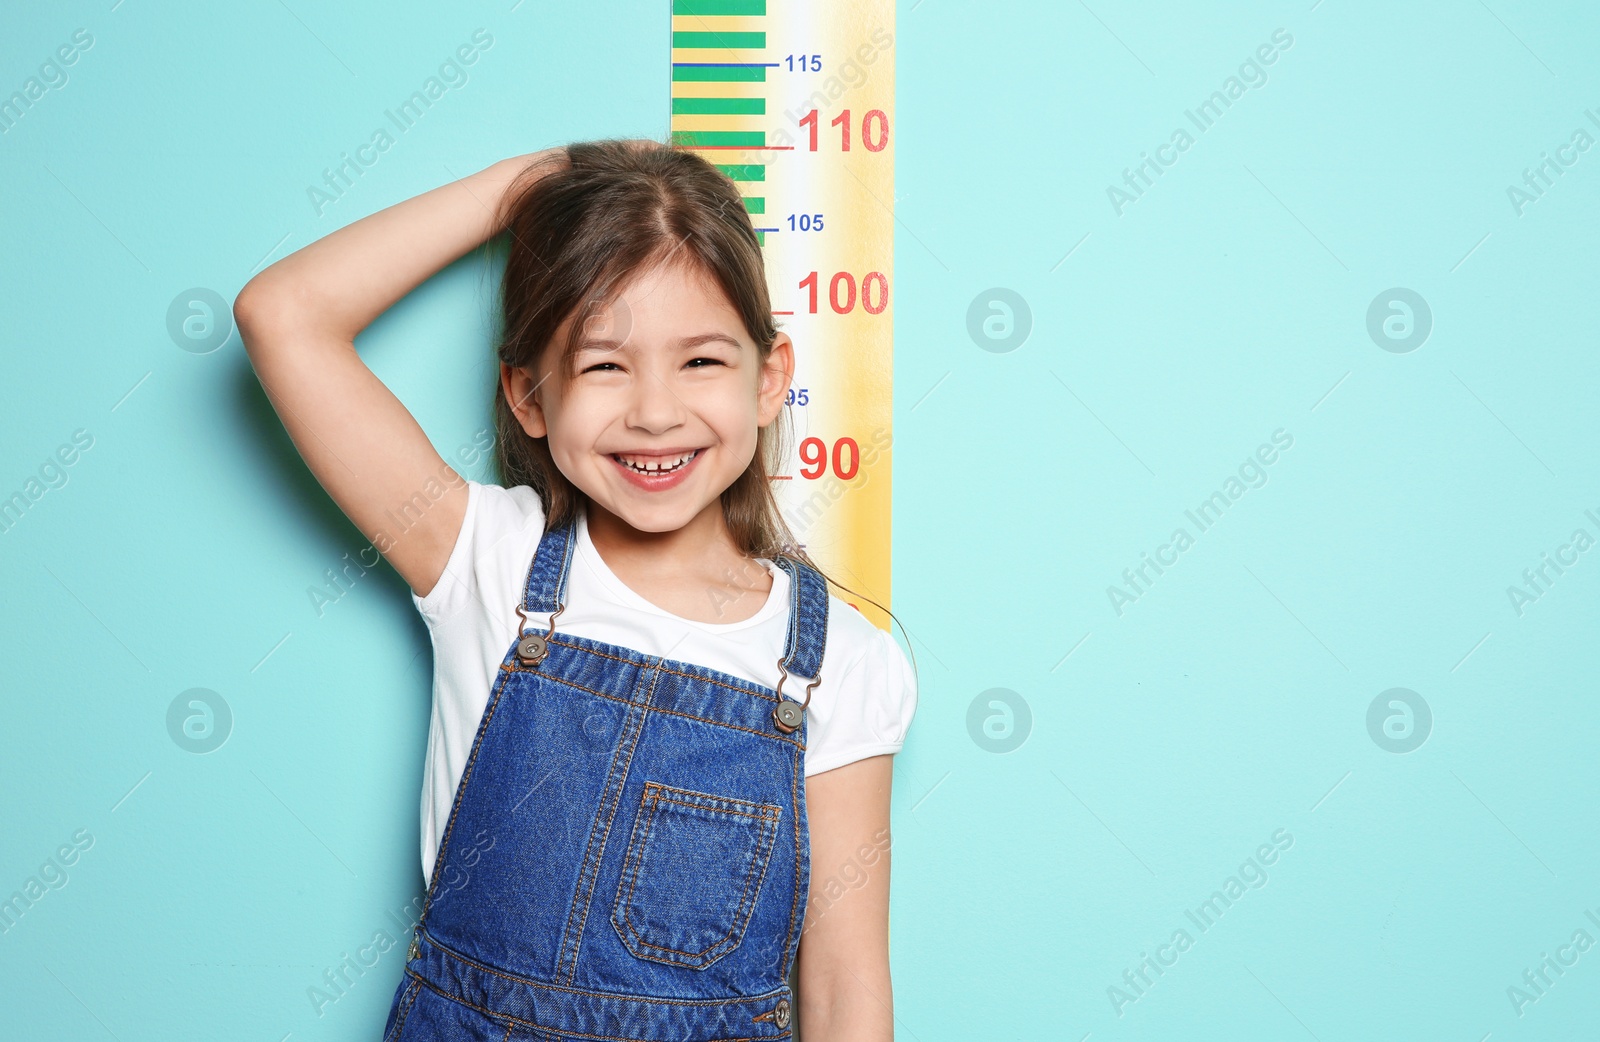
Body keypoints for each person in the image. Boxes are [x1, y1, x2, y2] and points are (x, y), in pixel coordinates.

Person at [234, 137, 918, 1041]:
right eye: (603, 365)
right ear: (527, 397)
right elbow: (281, 314)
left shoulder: (843, 664)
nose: (654, 411)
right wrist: (518, 187)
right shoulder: (487, 561)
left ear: (771, 380)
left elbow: (843, 980)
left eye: (702, 361)